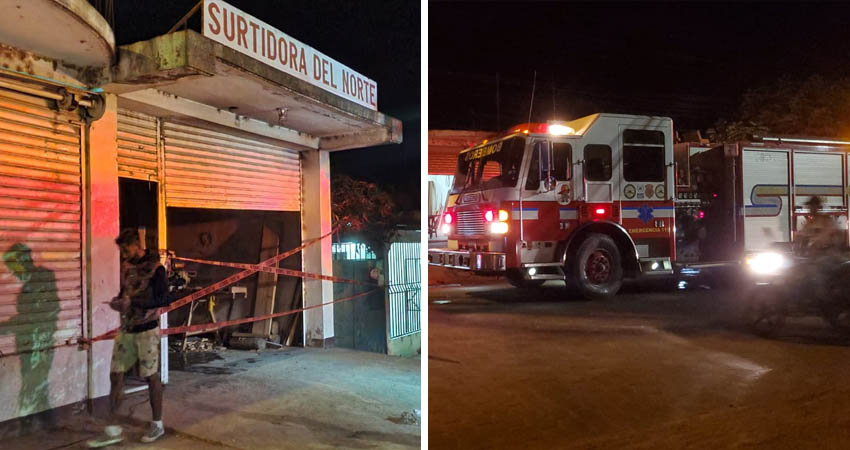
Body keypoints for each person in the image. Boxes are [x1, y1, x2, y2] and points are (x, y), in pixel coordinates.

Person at [88, 229, 172, 447]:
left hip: (147, 330)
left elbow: (164, 299)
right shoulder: (127, 268)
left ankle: (157, 423)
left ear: (136, 245)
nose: (123, 254)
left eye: (126, 249)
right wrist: (117, 302)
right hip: (126, 330)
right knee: (116, 376)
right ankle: (113, 429)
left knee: (151, 377)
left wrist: (133, 304)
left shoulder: (156, 269)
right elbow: (125, 295)